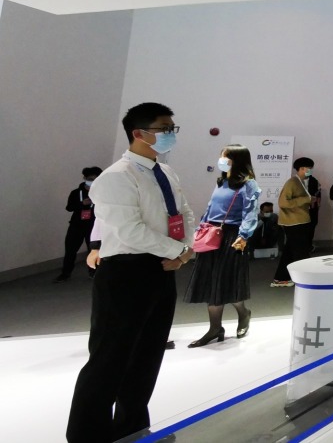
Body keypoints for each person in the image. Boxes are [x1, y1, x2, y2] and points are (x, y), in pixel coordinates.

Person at [66, 102, 195, 443]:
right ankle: (87, 436)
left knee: (146, 358)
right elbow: (130, 230)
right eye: (164, 129)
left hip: (162, 270)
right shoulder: (115, 177)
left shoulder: (165, 172)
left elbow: (185, 214)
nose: (170, 134)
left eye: (172, 129)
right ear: (139, 133)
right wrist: (177, 251)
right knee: (109, 360)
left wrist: (185, 250)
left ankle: (133, 429)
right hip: (125, 274)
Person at [183, 145, 261, 347]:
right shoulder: (221, 182)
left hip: (232, 236)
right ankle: (215, 327)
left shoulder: (248, 184)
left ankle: (243, 313)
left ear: (237, 160)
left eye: (226, 157)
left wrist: (243, 235)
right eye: (222, 156)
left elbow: (250, 212)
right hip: (211, 234)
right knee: (211, 282)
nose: (222, 160)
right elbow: (210, 208)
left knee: (227, 281)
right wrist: (199, 229)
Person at [55, 166, 103, 282]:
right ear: (84, 178)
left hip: (93, 227)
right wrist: (82, 204)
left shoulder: (101, 193)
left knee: (94, 251)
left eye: (95, 179)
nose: (92, 182)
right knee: (70, 250)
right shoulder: (76, 193)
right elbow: (69, 208)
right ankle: (65, 273)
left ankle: (94, 273)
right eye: (90, 179)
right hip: (76, 226)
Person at [272, 157, 314, 287]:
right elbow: (283, 202)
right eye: (309, 168)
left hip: (299, 221)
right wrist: (306, 199)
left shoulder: (300, 182)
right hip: (294, 222)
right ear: (301, 168)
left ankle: (281, 278)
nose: (310, 171)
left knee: (290, 251)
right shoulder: (292, 182)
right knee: (300, 251)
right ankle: (303, 279)